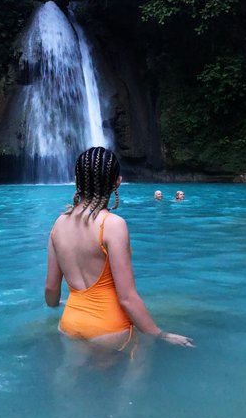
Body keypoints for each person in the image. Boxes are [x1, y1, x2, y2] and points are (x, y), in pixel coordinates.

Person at [45, 147, 194, 351]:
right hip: (110, 329)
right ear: (117, 182)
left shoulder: (58, 224)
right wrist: (160, 334)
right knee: (135, 373)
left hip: (69, 325)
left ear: (77, 181)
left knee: (67, 377)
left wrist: (61, 304)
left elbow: (51, 291)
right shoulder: (112, 225)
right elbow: (127, 298)